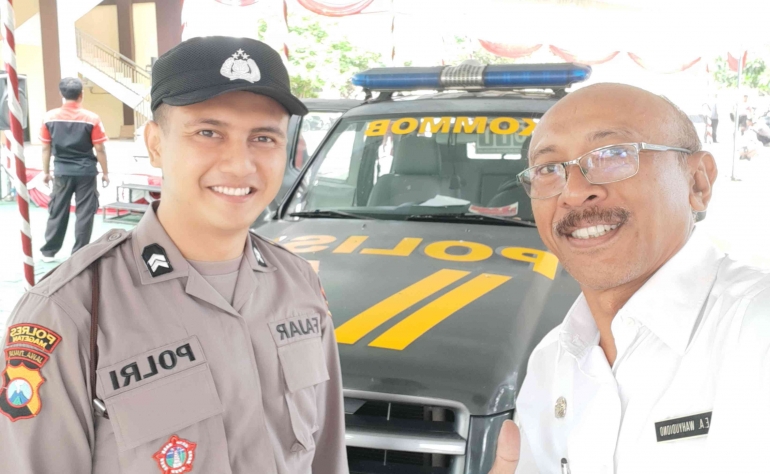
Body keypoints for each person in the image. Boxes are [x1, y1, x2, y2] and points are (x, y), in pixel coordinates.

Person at [0, 36, 347, 473]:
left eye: (263, 137)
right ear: (156, 143)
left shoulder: (298, 285)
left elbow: (327, 458)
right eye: (208, 132)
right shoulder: (70, 312)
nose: (240, 165)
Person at [488, 83, 770, 474]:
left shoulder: (757, 332)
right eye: (549, 169)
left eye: (613, 154)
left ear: (698, 183)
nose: (574, 192)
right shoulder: (550, 362)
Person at [39, 77, 109, 262]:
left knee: (58, 210)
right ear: (81, 95)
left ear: (62, 95)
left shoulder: (49, 117)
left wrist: (45, 172)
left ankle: (49, 251)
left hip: (62, 171)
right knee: (85, 212)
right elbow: (100, 148)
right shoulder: (92, 118)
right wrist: (106, 172)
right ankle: (79, 253)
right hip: (86, 172)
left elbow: (46, 147)